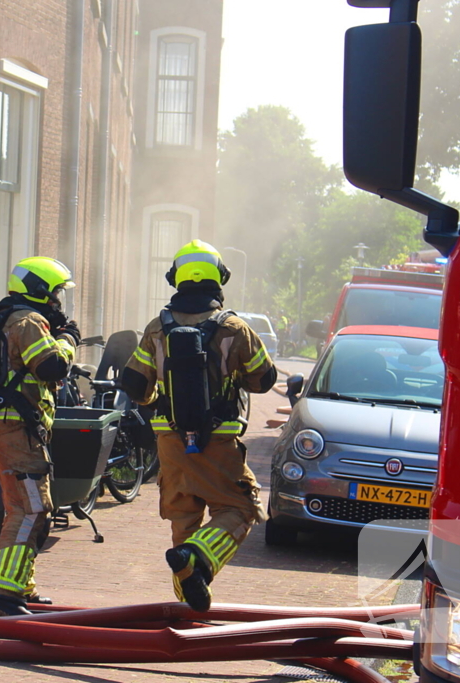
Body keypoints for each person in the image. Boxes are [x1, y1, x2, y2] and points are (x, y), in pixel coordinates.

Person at [121, 239, 276, 612]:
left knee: (184, 516)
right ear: (218, 279)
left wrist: (160, 397)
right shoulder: (235, 328)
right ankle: (198, 558)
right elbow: (264, 380)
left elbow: (135, 385)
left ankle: (188, 591)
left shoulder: (157, 328)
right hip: (218, 440)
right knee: (241, 508)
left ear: (177, 280)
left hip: (169, 441)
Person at [0, 256, 81, 617]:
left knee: (27, 505)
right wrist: (67, 340)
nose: (58, 303)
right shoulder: (28, 321)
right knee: (30, 507)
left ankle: (20, 585)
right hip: (16, 429)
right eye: (55, 294)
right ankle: (0, 592)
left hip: (5, 426)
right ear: (40, 291)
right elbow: (52, 366)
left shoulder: (5, 317)